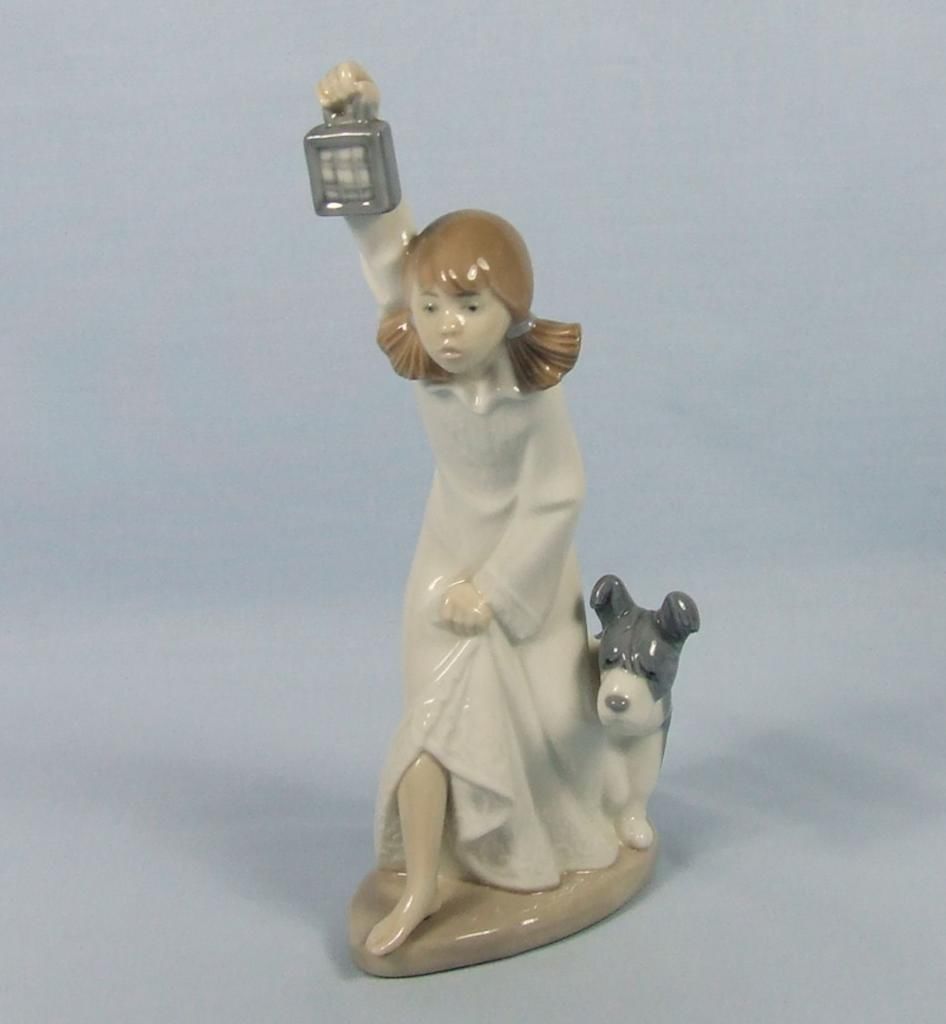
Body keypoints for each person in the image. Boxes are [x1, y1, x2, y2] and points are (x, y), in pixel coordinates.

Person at [318, 62, 619, 957]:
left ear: (512, 311)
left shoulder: (532, 397)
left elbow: (559, 492)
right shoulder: (425, 357)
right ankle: (420, 881)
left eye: (471, 305)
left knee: (546, 726)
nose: (446, 325)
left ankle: (529, 850)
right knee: (430, 717)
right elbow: (388, 244)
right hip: (444, 554)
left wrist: (495, 590)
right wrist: (362, 124)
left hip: (522, 577)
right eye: (432, 306)